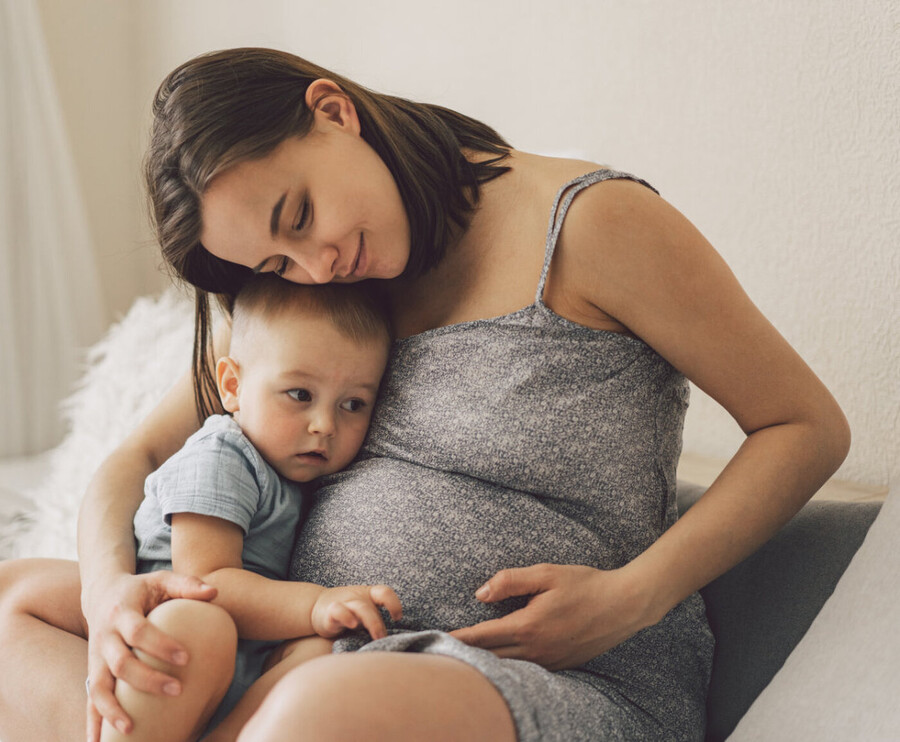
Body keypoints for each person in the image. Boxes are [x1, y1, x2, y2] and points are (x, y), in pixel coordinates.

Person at [0, 47, 850, 742]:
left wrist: (633, 596)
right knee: (13, 602)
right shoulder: (310, 292)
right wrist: (110, 596)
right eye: (275, 263)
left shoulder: (590, 224)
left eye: (300, 215)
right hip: (293, 652)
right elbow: (137, 458)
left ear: (333, 111)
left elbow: (804, 425)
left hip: (552, 678)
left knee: (314, 716)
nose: (316, 266)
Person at [1, 273, 401, 742]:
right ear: (232, 385)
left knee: (321, 652)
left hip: (236, 659)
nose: (324, 425)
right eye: (300, 395)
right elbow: (207, 582)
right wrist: (316, 603)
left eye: (353, 404)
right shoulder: (223, 456)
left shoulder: (295, 473)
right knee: (197, 622)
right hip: (173, 628)